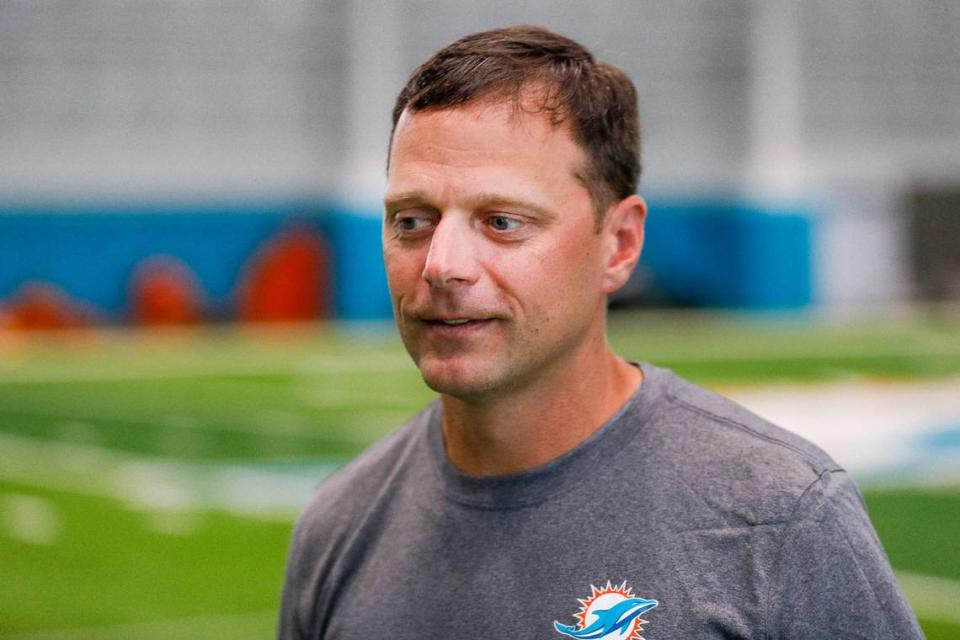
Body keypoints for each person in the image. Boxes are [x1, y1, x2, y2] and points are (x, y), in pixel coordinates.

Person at [279, 25, 922, 639]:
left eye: (503, 222)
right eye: (412, 221)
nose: (442, 264)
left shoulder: (779, 517)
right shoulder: (341, 524)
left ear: (619, 244)